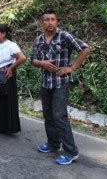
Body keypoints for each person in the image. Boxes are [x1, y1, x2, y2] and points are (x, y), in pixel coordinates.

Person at [32, 9, 91, 165]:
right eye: (47, 20)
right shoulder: (38, 39)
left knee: (59, 117)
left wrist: (71, 67)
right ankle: (53, 144)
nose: (50, 22)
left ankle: (71, 151)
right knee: (48, 115)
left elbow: (85, 49)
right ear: (42, 22)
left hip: (60, 84)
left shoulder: (64, 36)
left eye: (53, 19)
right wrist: (42, 63)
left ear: (57, 21)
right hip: (45, 83)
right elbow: (33, 60)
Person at [0, 24, 26, 134]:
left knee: (5, 101)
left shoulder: (11, 45)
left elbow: (22, 58)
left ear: (3, 34)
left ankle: (7, 127)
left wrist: (11, 68)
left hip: (5, 75)